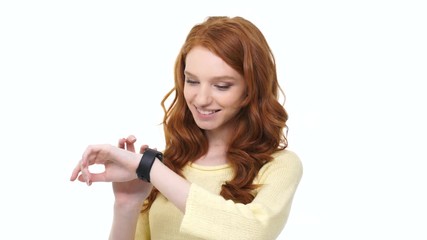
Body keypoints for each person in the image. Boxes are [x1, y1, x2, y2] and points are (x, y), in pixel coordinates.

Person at [70, 16, 303, 240]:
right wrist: (126, 204)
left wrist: (149, 168)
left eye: (221, 86)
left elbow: (250, 232)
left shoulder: (278, 166)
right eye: (191, 81)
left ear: (252, 89)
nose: (201, 99)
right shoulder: (168, 166)